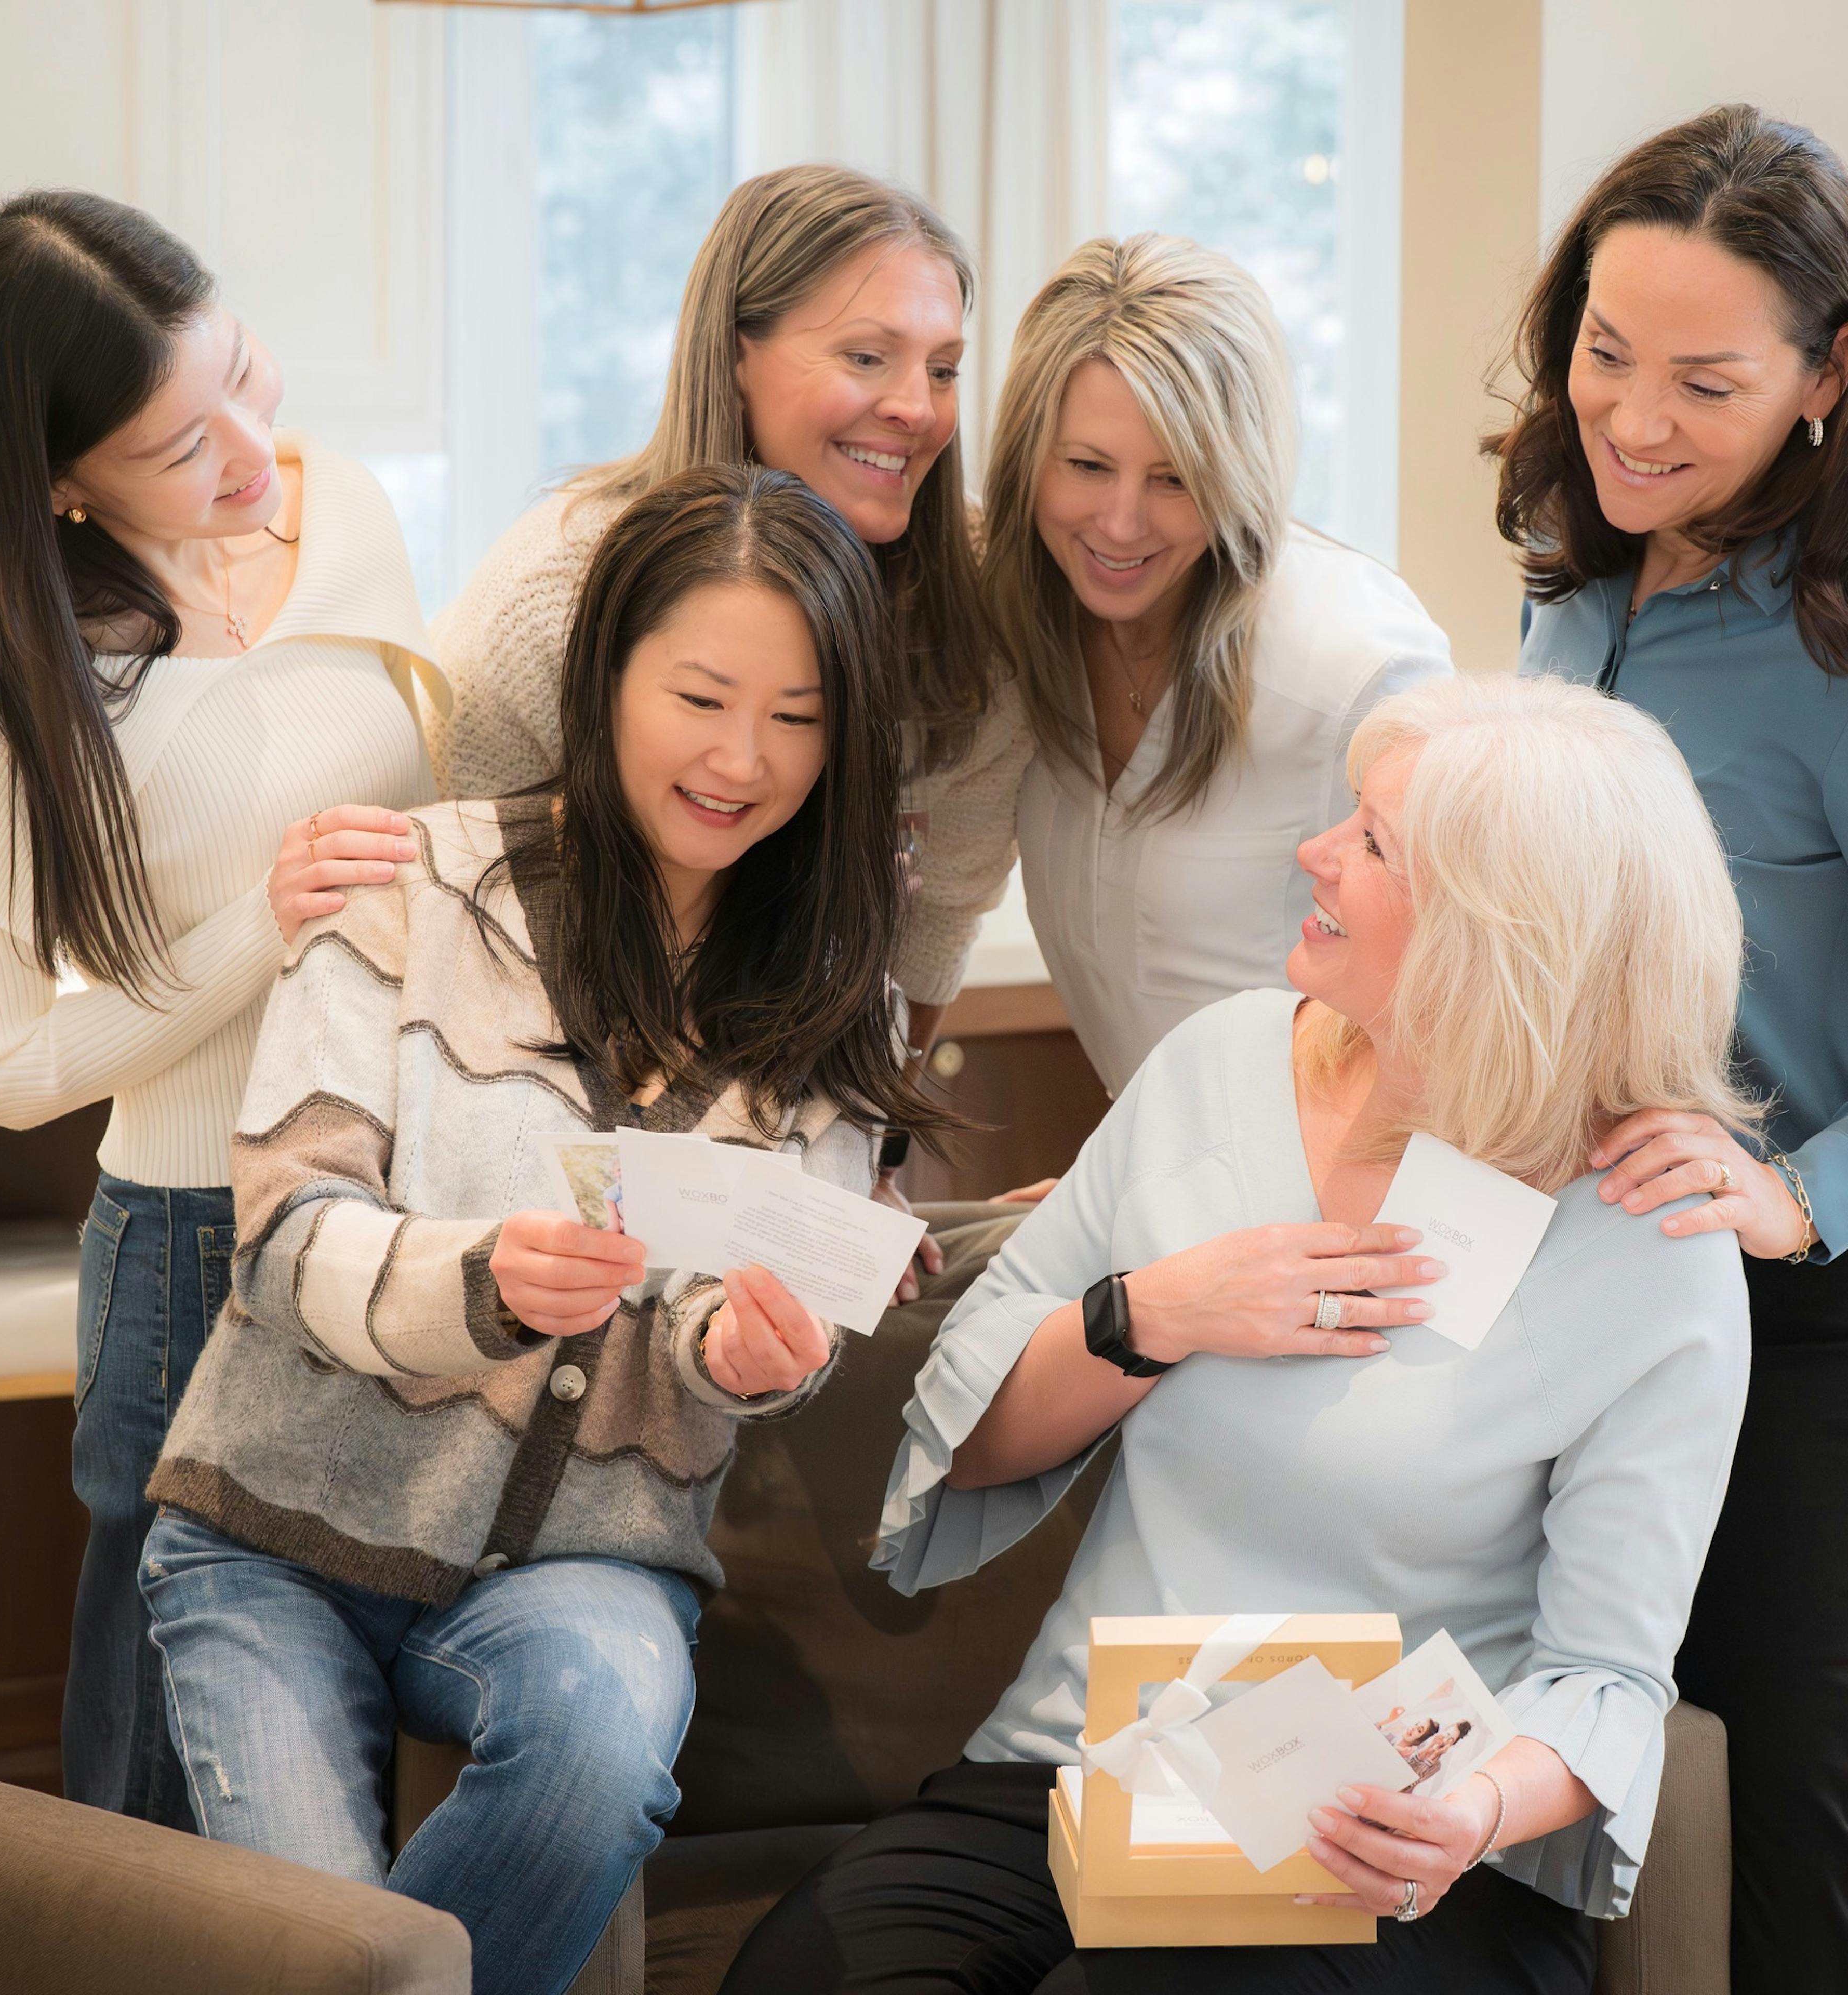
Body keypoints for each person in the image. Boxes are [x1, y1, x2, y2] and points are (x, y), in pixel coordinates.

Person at [723, 672, 1753, 1995]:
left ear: (1504, 938)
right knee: (804, 1977)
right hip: (1085, 1776)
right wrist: (1162, 1311)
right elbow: (963, 1446)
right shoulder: (1218, 1065)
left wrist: (1469, 1816)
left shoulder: (1646, 1245)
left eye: (1373, 843)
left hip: (1389, 1847)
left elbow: (1606, 1674)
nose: (1315, 854)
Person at [139, 463, 952, 1995]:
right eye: (701, 697)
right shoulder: (417, 884)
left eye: (797, 718)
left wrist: (750, 1354)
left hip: (585, 1560)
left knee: (598, 1753)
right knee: (318, 1951)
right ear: (607, 678)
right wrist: (486, 1284)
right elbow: (283, 1234)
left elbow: (759, 1325)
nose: (740, 759)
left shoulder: (845, 1006)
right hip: (273, 1539)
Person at [0, 191, 436, 1827]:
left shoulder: (342, 505)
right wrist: (256, 929)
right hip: (194, 1244)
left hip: (415, 1214)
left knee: (362, 1724)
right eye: (172, 443)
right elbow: (7, 1075)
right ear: (63, 484)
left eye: (243, 374)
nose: (244, 453)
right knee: (167, 1770)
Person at [1501, 105, 1848, 1994]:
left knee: (1773, 1886)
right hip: (1563, 1292)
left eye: (1705, 380)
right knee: (1565, 1825)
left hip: (1806, 1337)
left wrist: (1798, 1191)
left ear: (1831, 377)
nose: (1635, 417)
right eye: (1604, 352)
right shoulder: (1574, 583)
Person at [431, 163, 1024, 1096]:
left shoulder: (985, 603)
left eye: (943, 368)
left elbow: (938, 912)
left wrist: (879, 1151)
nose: (918, 407)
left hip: (805, 1114)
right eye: (867, 357)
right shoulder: (546, 606)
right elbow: (467, 928)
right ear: (736, 351)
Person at [981, 234, 1453, 1099]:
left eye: (1175, 480)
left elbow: (1460, 1021)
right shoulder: (1013, 629)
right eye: (1087, 466)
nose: (1121, 525)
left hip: (1331, 1211)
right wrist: (1124, 1180)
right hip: (1168, 1188)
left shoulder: (1357, 669)